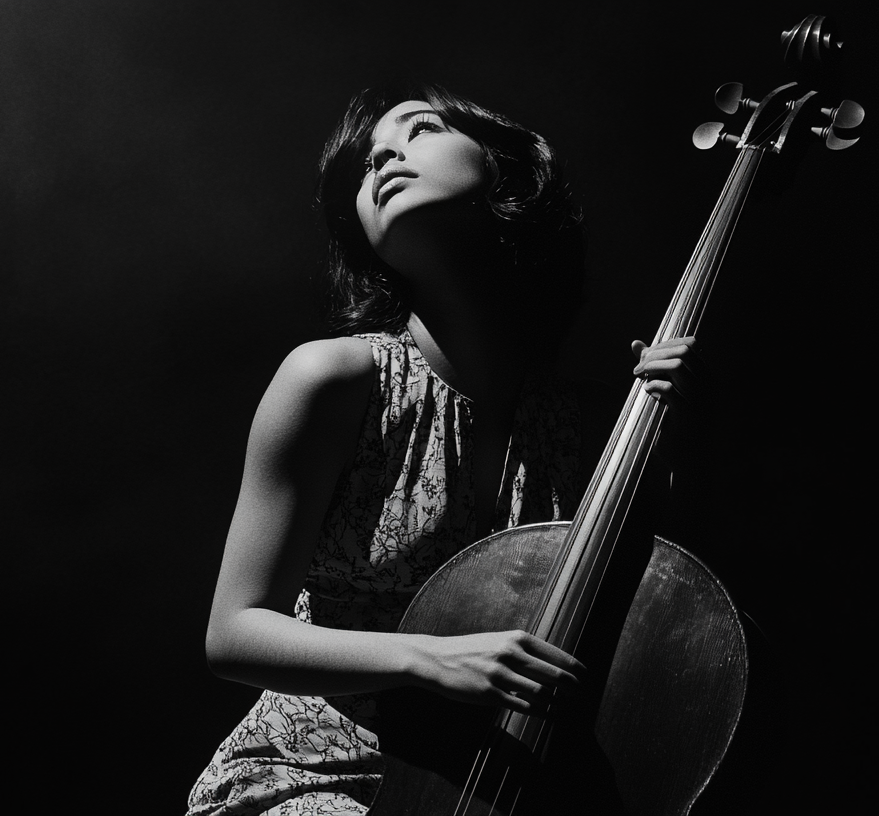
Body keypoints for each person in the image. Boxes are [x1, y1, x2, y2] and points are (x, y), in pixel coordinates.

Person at [186, 81, 700, 815]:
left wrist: (672, 433)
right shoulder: (334, 379)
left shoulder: (577, 425)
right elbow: (232, 634)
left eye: (419, 129)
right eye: (365, 165)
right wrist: (428, 659)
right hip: (312, 780)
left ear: (505, 171)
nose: (384, 156)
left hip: (480, 792)